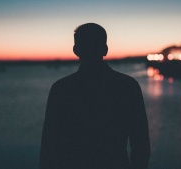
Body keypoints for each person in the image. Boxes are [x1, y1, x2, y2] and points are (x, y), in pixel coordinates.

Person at [40, 23, 150, 169]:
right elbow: (140, 142)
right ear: (105, 49)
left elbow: (49, 145)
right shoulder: (128, 86)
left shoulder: (61, 89)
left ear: (76, 50)